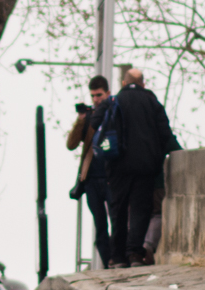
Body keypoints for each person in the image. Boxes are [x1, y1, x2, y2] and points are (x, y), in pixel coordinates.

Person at [105, 68, 179, 267]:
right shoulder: (152, 102)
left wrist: (107, 159)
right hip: (145, 166)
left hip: (118, 165)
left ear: (123, 83)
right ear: (143, 84)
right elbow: (165, 134)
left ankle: (118, 256)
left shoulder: (114, 101)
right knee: (140, 210)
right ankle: (135, 254)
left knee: (118, 211)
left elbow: (100, 129)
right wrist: (179, 152)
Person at [65, 75, 116, 267]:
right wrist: (81, 121)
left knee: (117, 221)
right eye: (93, 96)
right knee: (100, 225)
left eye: (100, 95)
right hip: (92, 179)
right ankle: (108, 262)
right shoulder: (89, 118)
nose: (96, 99)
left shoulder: (114, 112)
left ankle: (118, 258)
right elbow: (71, 144)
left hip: (111, 176)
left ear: (108, 93)